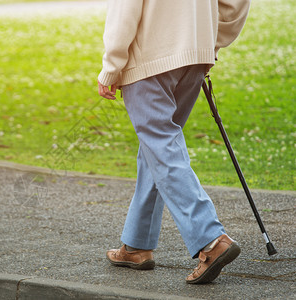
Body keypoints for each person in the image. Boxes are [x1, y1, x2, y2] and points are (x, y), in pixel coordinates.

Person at [97, 0, 251, 284]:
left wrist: (111, 66)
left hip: (149, 60)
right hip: (194, 57)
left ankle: (211, 239)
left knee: (161, 147)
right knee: (156, 150)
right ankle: (136, 245)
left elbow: (125, 8)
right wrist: (207, 41)